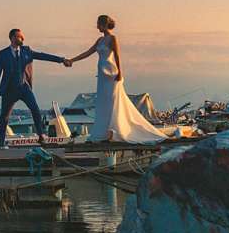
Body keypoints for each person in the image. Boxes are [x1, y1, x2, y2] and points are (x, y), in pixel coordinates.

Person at [66, 15, 165, 144]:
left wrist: (120, 73)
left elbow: (117, 56)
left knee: (113, 103)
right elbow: (88, 52)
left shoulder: (113, 39)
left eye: (99, 24)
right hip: (102, 76)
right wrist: (72, 60)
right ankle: (104, 132)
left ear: (104, 25)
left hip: (112, 74)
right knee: (103, 103)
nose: (97, 27)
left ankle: (113, 131)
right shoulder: (99, 40)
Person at [0, 28, 71, 148]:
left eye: (22, 37)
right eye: (19, 37)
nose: (22, 39)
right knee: (4, 117)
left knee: (35, 109)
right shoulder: (3, 54)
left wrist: (61, 60)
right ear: (12, 38)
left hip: (24, 87)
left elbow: (43, 56)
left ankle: (41, 135)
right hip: (9, 90)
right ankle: (0, 144)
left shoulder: (27, 51)